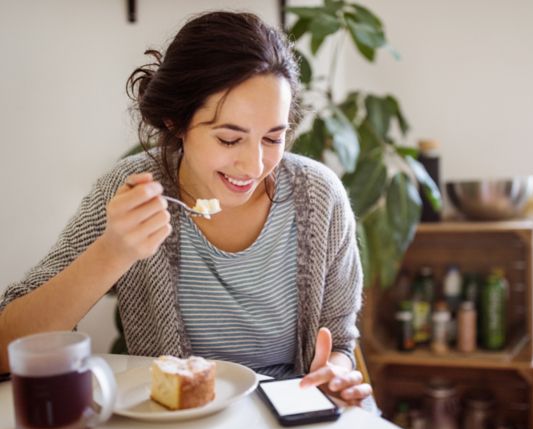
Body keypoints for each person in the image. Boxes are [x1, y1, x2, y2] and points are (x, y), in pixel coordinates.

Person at [0, 11, 372, 407]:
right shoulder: (133, 190)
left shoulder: (318, 197)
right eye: (230, 139)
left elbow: (340, 342)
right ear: (176, 121)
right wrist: (113, 252)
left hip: (291, 422)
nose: (254, 165)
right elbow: (7, 347)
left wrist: (334, 371)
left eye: (272, 138)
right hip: (174, 428)